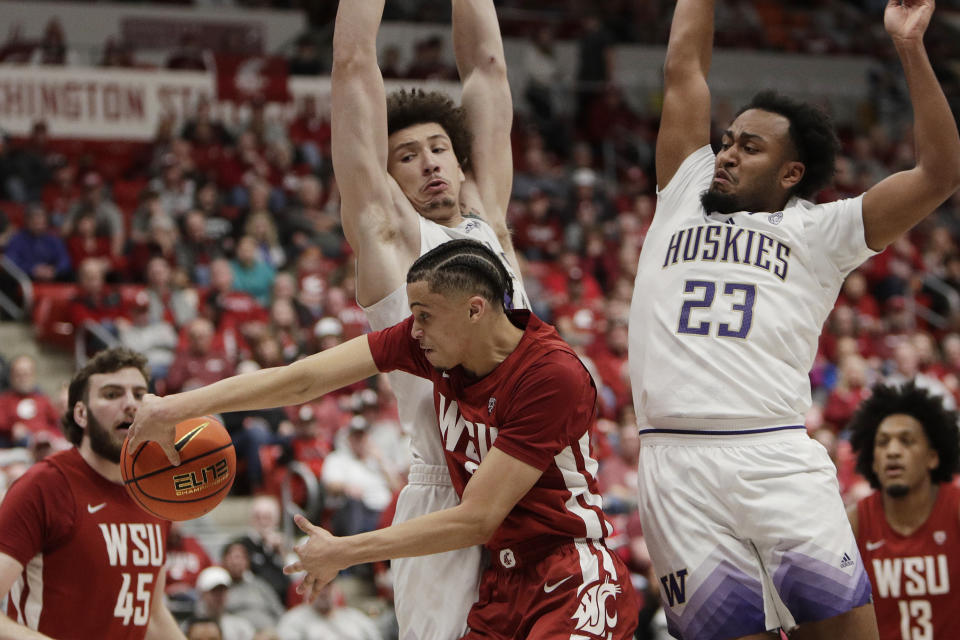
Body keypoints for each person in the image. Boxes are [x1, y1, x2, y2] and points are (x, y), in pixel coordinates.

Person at [628, 0, 960, 638]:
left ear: (791, 172)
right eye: (727, 140)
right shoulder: (681, 193)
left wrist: (911, 47)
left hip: (774, 454)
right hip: (675, 467)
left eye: (748, 148)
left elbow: (940, 174)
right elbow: (684, 68)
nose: (725, 154)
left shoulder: (822, 229)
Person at [128, 240, 638, 640]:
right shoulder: (435, 342)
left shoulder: (552, 375)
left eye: (424, 315)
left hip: (571, 571)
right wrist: (175, 407)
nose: (413, 330)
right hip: (501, 583)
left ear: (476, 310)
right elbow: (301, 378)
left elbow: (477, 518)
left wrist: (345, 551)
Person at [326, 1, 532, 638]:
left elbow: (488, 71)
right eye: (409, 156)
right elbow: (354, 65)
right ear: (385, 179)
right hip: (447, 488)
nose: (432, 162)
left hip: (532, 478)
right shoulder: (389, 237)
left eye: (440, 148)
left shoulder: (489, 223)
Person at [0, 347, 185, 639]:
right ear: (81, 414)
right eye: (112, 394)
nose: (131, 405)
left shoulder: (155, 495)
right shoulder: (44, 485)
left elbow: (152, 614)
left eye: (139, 394)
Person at [847, 381, 960, 640]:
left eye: (906, 441)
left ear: (933, 457)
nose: (893, 451)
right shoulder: (855, 522)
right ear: (872, 461)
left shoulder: (955, 510)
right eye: (883, 443)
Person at [275, 577, 382, 640]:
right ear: (306, 590)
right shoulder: (293, 620)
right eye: (317, 586)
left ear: (336, 589)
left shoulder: (354, 617)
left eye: (328, 585)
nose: (323, 591)